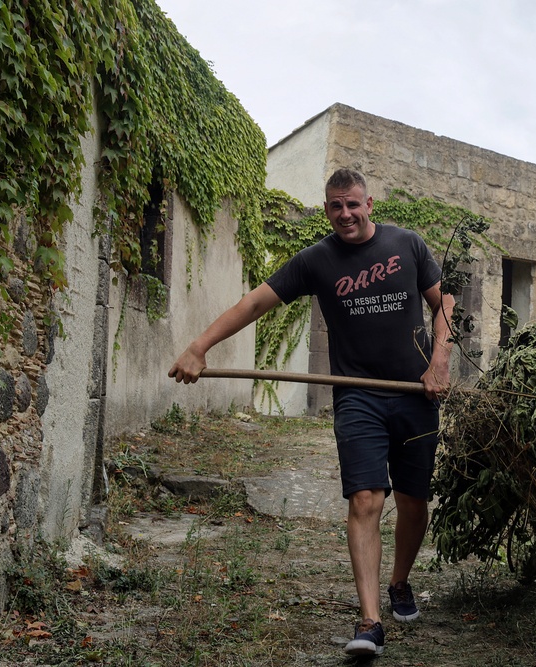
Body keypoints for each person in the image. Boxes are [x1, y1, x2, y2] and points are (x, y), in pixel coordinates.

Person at [168, 168, 454, 657]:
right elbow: (254, 303)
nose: (345, 214)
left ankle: (400, 582)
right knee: (366, 499)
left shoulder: (407, 244)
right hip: (356, 394)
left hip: (414, 393)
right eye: (336, 206)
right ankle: (369, 622)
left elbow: (443, 302)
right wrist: (199, 345)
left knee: (413, 501)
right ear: (327, 209)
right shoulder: (316, 260)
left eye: (353, 204)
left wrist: (440, 360)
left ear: (370, 204)